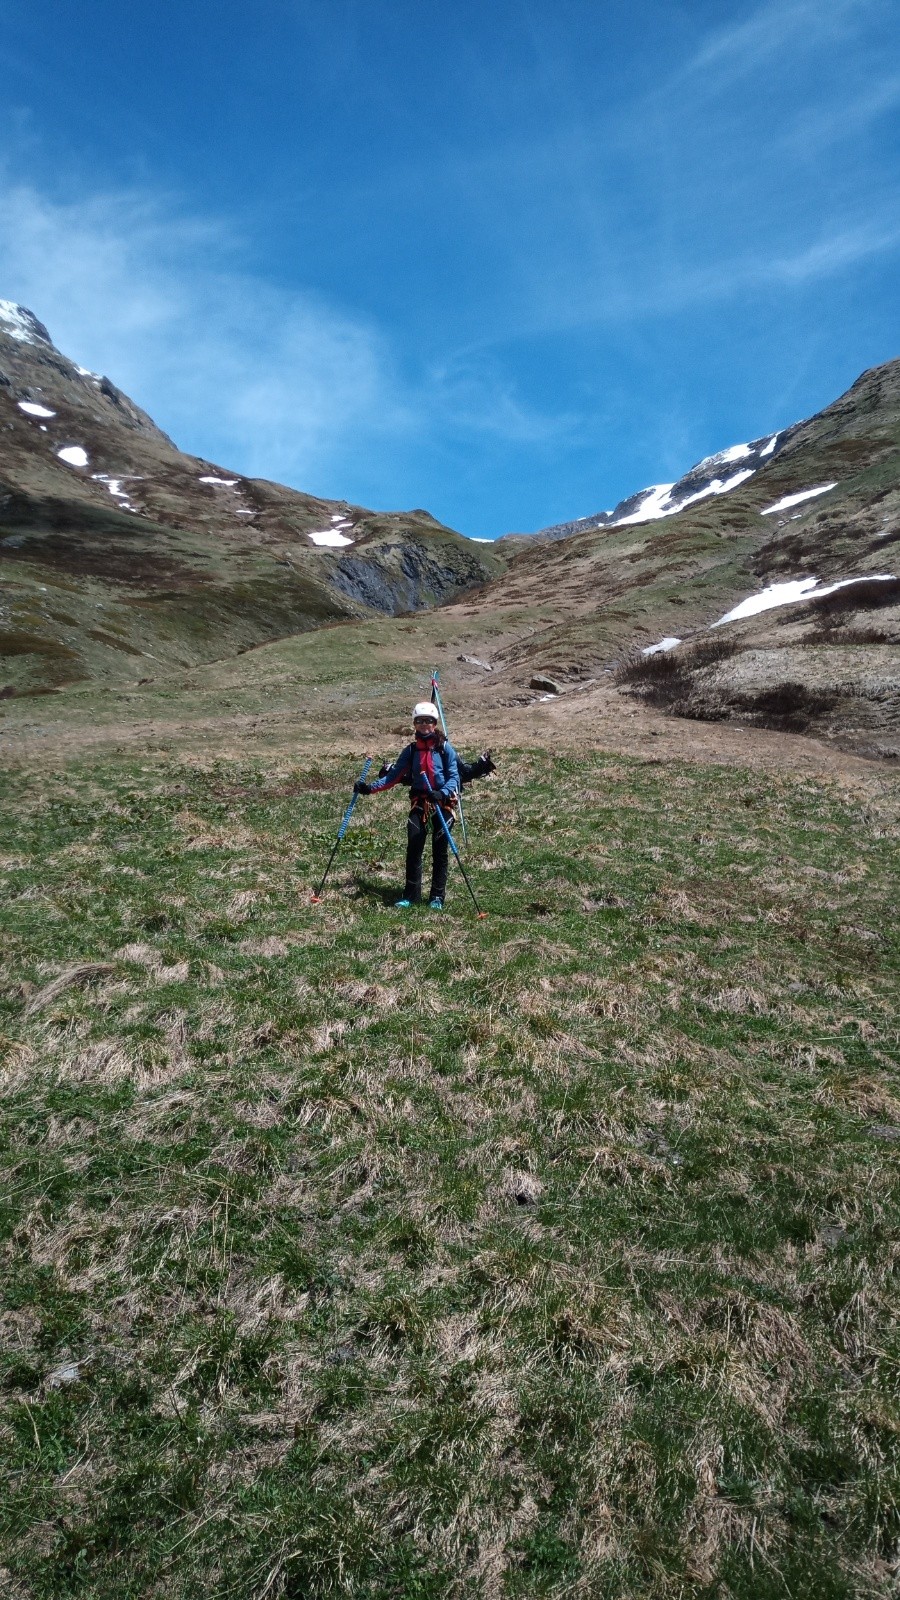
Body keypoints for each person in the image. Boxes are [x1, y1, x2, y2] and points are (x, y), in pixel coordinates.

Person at [354, 703, 493, 910]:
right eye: (419, 721)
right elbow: (392, 777)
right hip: (420, 802)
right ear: (414, 724)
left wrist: (442, 793)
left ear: (434, 723)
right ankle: (410, 895)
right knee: (414, 845)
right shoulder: (411, 751)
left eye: (428, 720)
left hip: (444, 803)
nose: (424, 724)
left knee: (440, 849)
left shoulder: (445, 749)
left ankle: (437, 897)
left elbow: (455, 777)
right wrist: (368, 789)